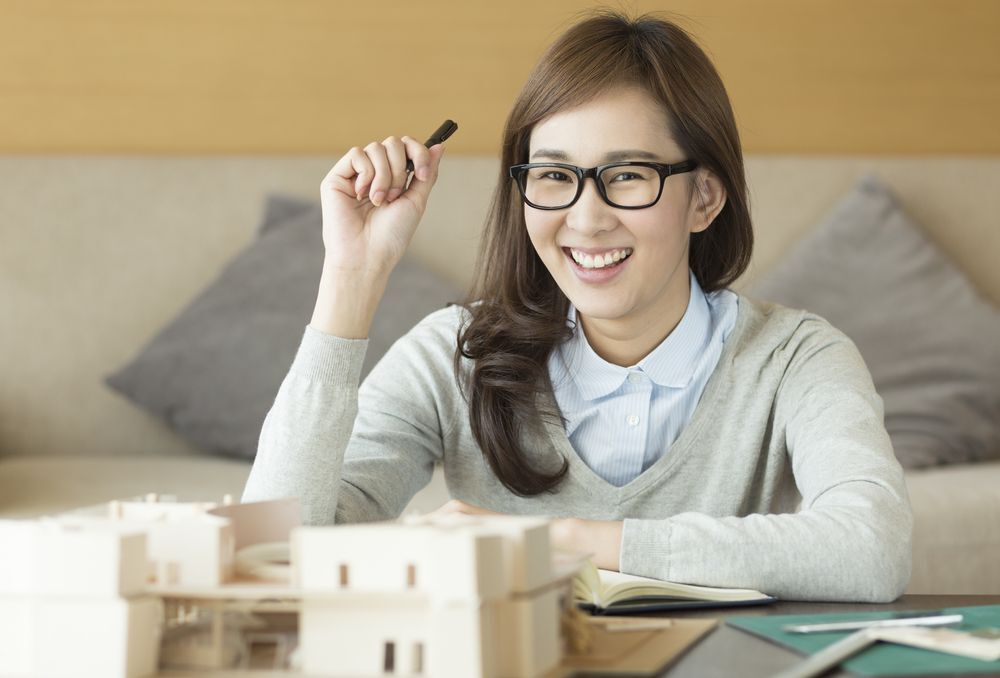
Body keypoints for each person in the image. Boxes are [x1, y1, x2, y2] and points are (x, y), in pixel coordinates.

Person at [243, 10, 912, 602]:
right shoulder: (454, 355)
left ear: (705, 197)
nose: (585, 220)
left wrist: (553, 542)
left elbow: (871, 549)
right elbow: (265, 555)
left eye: (627, 176)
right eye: (555, 176)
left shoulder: (796, 357)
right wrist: (352, 277)